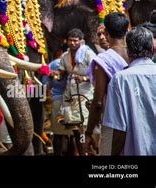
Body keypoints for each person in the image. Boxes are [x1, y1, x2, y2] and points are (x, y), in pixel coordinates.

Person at [103, 26, 156, 155]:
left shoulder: (120, 79)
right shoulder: (121, 79)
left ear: (128, 51)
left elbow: (118, 129)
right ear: (152, 49)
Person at [84, 13, 129, 156]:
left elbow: (97, 103)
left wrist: (89, 132)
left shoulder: (103, 60)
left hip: (113, 121)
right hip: (135, 118)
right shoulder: (135, 54)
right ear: (126, 31)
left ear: (107, 33)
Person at [58, 29, 96, 155]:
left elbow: (97, 74)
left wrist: (84, 78)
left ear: (81, 41)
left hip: (85, 94)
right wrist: (53, 74)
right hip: (70, 94)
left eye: (75, 40)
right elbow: (61, 74)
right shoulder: (65, 56)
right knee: (75, 128)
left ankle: (87, 151)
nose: (73, 43)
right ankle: (82, 152)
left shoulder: (88, 54)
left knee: (83, 128)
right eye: (70, 40)